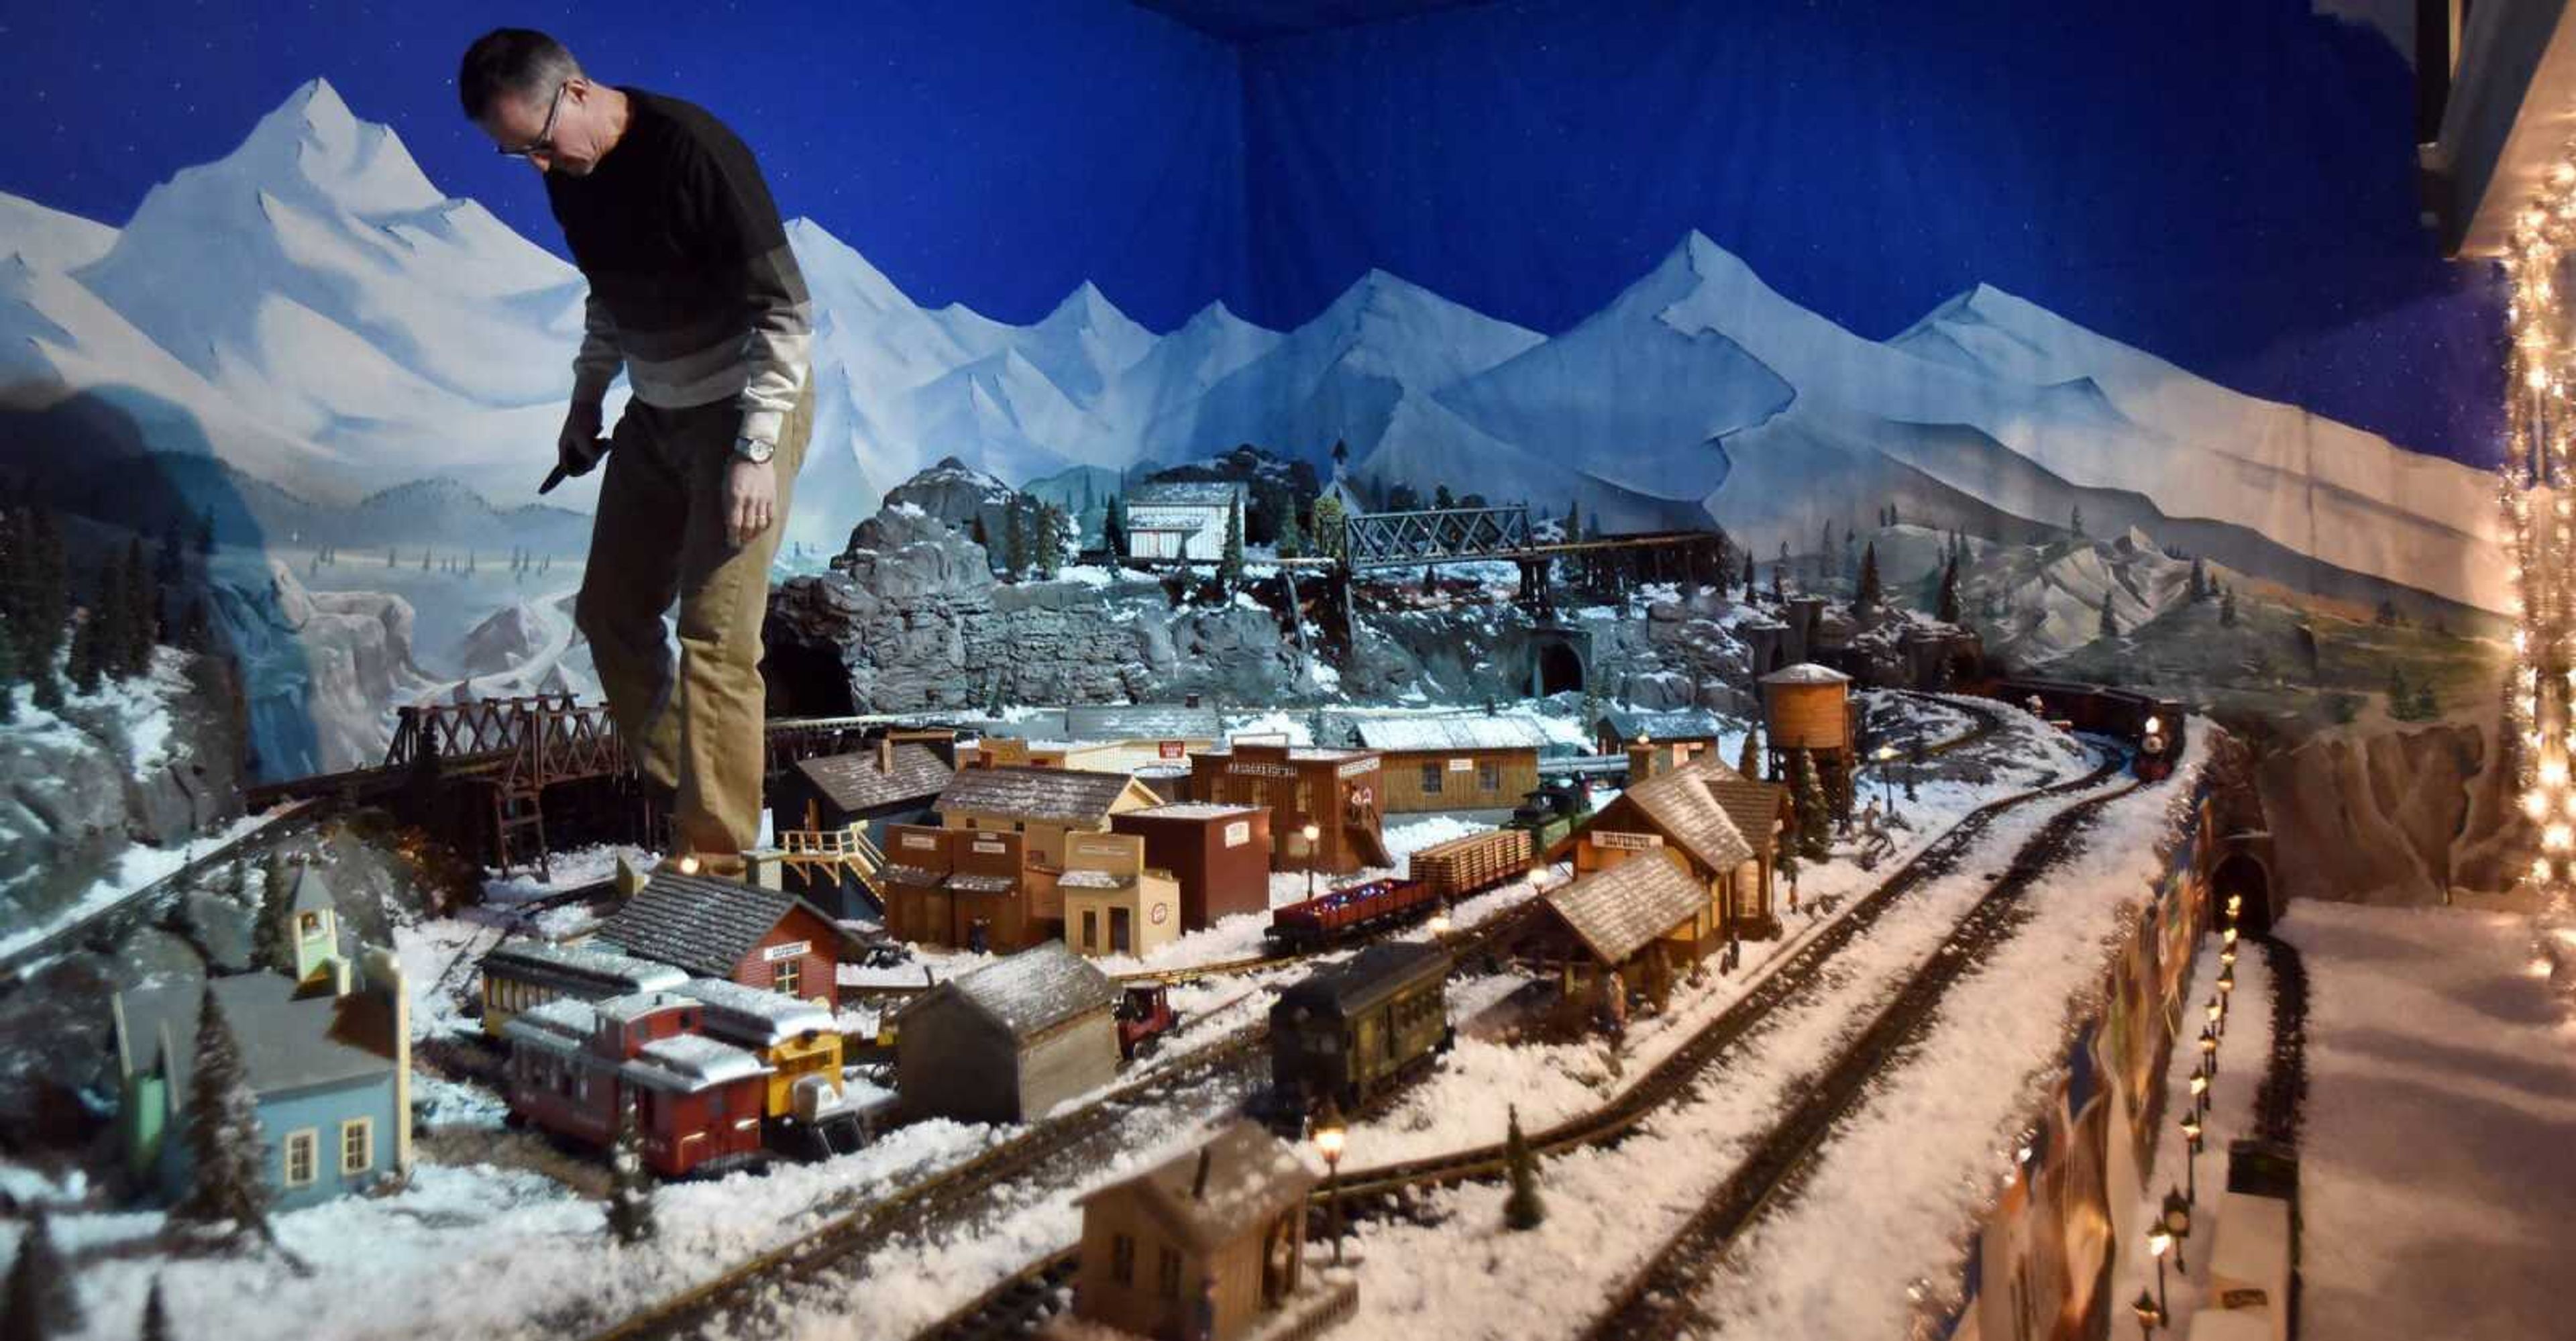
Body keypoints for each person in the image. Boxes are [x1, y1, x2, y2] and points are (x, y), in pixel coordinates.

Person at [459, 30, 814, 872]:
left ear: (576, 90)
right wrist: (587, 401)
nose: (539, 166)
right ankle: (689, 813)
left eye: (539, 143)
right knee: (612, 614)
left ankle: (720, 865)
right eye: (518, 155)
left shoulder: (698, 154)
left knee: (716, 635)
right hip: (656, 414)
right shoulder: (576, 182)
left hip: (745, 410)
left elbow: (785, 314)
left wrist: (757, 447)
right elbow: (607, 301)